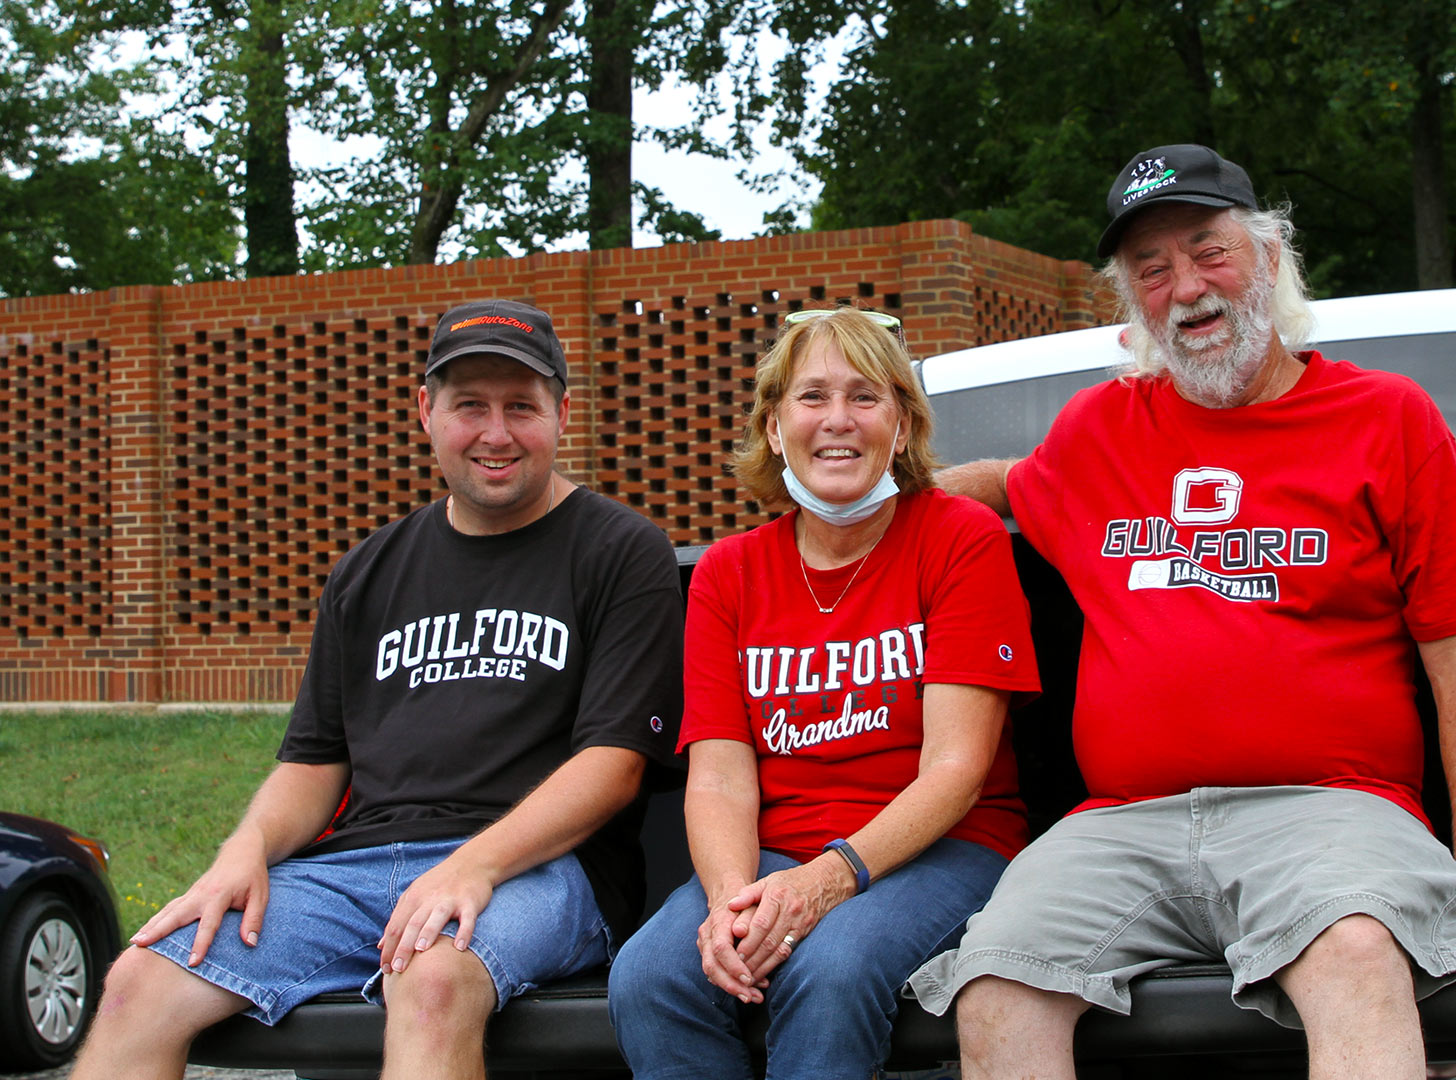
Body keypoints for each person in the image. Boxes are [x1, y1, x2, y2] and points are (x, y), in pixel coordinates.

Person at [906, 145, 1456, 1080]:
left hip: (1334, 810)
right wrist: (880, 513)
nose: (1186, 288)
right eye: (1152, 269)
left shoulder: (1388, 418)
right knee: (996, 983)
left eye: (1208, 251)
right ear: (1132, 299)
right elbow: (1007, 485)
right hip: (1121, 823)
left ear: (1269, 255)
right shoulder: (1099, 428)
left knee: (1356, 953)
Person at [73, 299, 684, 1080]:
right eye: (470, 406)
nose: (495, 434)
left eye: (521, 407)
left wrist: (474, 865)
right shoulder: (367, 572)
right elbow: (313, 762)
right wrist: (245, 851)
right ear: (426, 411)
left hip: (538, 869)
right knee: (137, 982)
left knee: (429, 976)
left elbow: (615, 765)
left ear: (562, 414)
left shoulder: (621, 551)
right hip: (353, 870)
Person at [607, 306, 1040, 1080]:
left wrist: (823, 882)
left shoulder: (958, 539)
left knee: (830, 969)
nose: (836, 420)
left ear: (901, 428)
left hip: (943, 850)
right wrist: (729, 904)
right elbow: (717, 774)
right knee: (652, 976)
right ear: (775, 429)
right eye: (811, 397)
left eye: (865, 396)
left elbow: (955, 768)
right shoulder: (728, 574)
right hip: (774, 853)